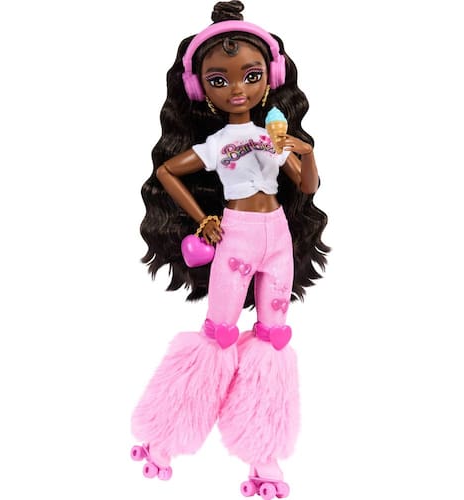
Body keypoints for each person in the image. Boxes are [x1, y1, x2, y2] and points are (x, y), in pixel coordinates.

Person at [130, 1, 329, 497]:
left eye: (251, 76)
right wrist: (203, 218)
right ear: (200, 89)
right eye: (219, 80)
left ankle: (264, 453)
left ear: (270, 78)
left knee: (273, 338)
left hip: (277, 238)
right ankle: (165, 437)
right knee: (218, 333)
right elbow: (167, 172)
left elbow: (306, 186)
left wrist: (306, 153)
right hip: (236, 236)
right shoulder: (218, 143)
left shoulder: (273, 138)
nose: (238, 88)